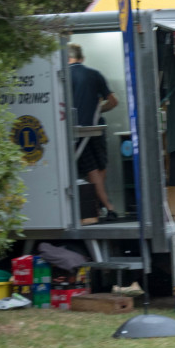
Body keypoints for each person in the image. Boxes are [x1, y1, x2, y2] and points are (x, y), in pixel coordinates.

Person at [68, 44, 120, 220]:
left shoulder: (62, 77)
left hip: (76, 130)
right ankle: (101, 206)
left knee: (91, 169)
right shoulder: (94, 74)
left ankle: (104, 207)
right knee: (100, 166)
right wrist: (98, 109)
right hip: (97, 127)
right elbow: (113, 101)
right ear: (82, 58)